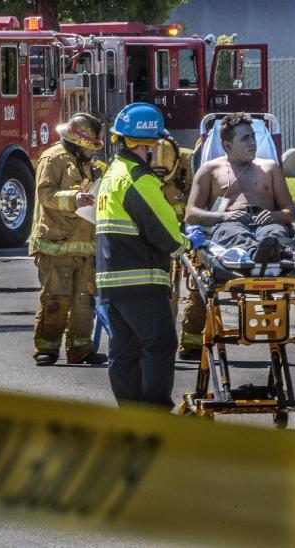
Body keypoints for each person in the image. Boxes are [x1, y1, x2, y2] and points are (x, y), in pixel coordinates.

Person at [95, 102, 205, 408]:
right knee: (160, 343)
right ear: (145, 145)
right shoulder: (138, 179)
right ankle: (155, 412)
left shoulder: (112, 175)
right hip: (139, 278)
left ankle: (130, 412)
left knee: (125, 348)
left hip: (111, 280)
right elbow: (165, 233)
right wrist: (187, 242)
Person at [29, 112, 107, 367]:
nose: (92, 152)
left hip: (86, 243)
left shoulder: (89, 164)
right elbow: (45, 195)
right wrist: (72, 199)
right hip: (55, 244)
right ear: (75, 141)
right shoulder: (53, 159)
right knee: (56, 297)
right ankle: (47, 349)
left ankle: (80, 349)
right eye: (88, 147)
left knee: (85, 300)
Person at [185, 112, 295, 263]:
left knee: (274, 234)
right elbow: (190, 214)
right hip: (229, 223)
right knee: (235, 234)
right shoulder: (209, 170)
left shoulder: (270, 168)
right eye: (245, 138)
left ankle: (269, 251)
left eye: (253, 136)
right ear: (227, 145)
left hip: (266, 223)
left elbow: (290, 211)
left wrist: (275, 216)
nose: (252, 143)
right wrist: (224, 216)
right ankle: (257, 254)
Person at [151, 137, 206, 361]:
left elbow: (205, 196)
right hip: (164, 236)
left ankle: (192, 343)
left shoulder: (192, 164)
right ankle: (164, 345)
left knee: (199, 286)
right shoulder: (145, 168)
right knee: (166, 291)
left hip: (194, 232)